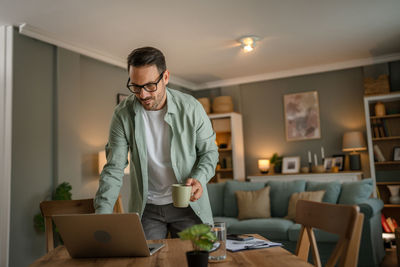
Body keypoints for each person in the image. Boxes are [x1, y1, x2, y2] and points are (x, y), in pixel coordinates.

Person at [94, 47, 218, 240]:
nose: (142, 95)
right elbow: (114, 167)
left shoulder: (192, 108)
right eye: (135, 86)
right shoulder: (122, 114)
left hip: (189, 207)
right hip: (147, 209)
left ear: (166, 77)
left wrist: (199, 178)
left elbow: (209, 152)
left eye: (150, 85)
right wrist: (101, 217)